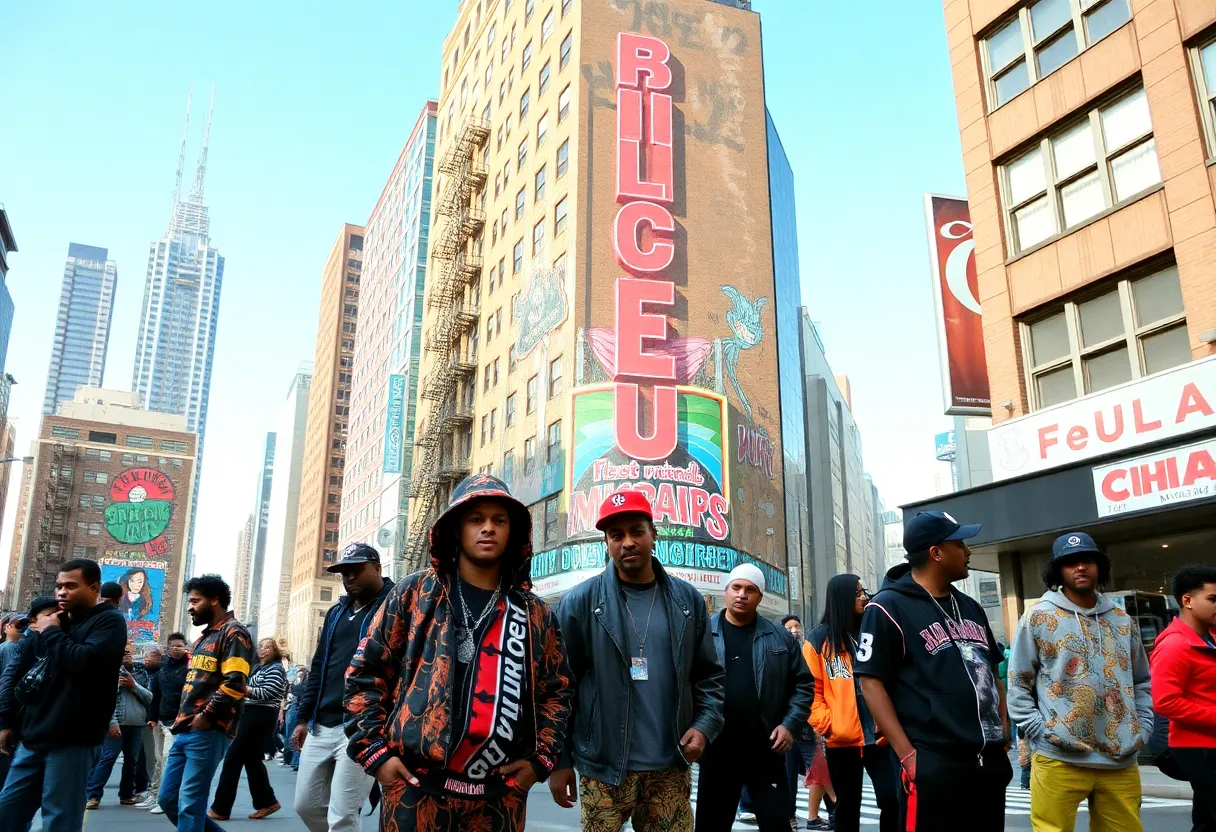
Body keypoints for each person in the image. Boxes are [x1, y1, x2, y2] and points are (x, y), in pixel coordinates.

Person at [345, 473, 572, 832]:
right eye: (475, 519)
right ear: (456, 529)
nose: (488, 528)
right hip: (414, 791)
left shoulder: (535, 613)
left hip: (499, 797)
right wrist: (376, 755)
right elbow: (365, 675)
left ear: (514, 532)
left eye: (499, 520)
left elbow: (556, 693)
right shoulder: (414, 593)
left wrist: (540, 762)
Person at [549, 489, 724, 832]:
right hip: (603, 768)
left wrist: (704, 727)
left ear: (653, 535)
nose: (627, 542)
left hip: (670, 767)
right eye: (616, 535)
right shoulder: (580, 603)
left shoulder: (686, 600)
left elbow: (709, 677)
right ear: (606, 543)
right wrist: (560, 760)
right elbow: (558, 689)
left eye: (636, 531)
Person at [856, 511, 1011, 832]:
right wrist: (908, 755)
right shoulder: (886, 607)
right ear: (936, 552)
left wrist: (1004, 729)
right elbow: (871, 682)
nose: (968, 551)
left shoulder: (970, 606)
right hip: (934, 762)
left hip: (988, 762)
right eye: (960, 544)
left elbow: (993, 671)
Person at [1008, 531, 1153, 832]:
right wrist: (1041, 731)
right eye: (1070, 562)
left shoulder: (1122, 619)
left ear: (1100, 566)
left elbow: (1141, 680)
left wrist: (1143, 729)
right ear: (1057, 570)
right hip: (1058, 755)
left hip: (1120, 756)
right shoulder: (1036, 617)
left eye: (1087, 560)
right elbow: (1019, 682)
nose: (1080, 567)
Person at [0, 559, 128, 832]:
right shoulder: (54, 620)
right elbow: (17, 673)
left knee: (60, 822)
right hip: (32, 738)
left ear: (93, 588)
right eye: (59, 586)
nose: (61, 592)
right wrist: (7, 721)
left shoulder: (108, 621)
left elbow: (83, 663)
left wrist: (51, 631)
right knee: (7, 814)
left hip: (74, 740)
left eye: (71, 586)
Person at [696, 565, 813, 831]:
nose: (742, 595)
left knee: (776, 824)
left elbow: (803, 685)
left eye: (750, 590)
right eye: (736, 588)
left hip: (766, 749)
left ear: (760, 597)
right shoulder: (702, 634)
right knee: (710, 825)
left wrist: (790, 724)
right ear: (726, 591)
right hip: (717, 749)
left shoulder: (780, 637)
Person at [292, 543, 393, 832]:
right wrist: (302, 717)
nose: (349, 577)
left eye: (356, 570)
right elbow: (319, 665)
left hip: (364, 725)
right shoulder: (336, 612)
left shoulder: (395, 604)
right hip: (321, 724)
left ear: (377, 568)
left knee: (343, 814)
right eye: (344, 572)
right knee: (306, 806)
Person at [157, 575, 253, 832]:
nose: (190, 606)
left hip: (208, 730)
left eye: (195, 601)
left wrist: (207, 716)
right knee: (167, 800)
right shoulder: (201, 640)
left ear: (214, 600)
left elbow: (236, 683)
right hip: (184, 729)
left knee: (190, 805)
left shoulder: (235, 633)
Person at [806, 574, 899, 832]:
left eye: (863, 591)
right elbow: (810, 690)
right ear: (841, 598)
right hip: (842, 739)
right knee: (846, 809)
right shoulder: (818, 640)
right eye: (857, 592)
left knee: (892, 799)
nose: (864, 597)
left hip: (880, 737)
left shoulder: (871, 630)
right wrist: (829, 725)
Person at [1150, 564, 1216, 832]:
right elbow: (1165, 701)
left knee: (1207, 822)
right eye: (1212, 599)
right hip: (1197, 748)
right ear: (1187, 600)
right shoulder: (1174, 644)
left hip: (1208, 745)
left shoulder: (1209, 637)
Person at [209, 637, 286, 820]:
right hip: (251, 713)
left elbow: (268, 693)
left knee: (233, 756)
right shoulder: (259, 668)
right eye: (261, 646)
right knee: (252, 760)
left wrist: (245, 689)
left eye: (268, 647)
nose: (263, 649)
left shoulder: (276, 669)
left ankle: (221, 808)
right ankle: (267, 802)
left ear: (275, 651)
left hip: (261, 715)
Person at [85, 640, 154, 808]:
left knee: (132, 761)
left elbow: (149, 697)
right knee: (107, 759)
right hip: (118, 724)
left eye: (129, 653)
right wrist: (112, 723)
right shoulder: (108, 672)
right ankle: (93, 795)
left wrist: (133, 685)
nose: (127, 656)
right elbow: (106, 701)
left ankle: (126, 794)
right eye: (123, 654)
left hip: (137, 724)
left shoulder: (141, 673)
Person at [147, 633, 189, 815]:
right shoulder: (163, 668)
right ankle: (155, 795)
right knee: (158, 759)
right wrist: (153, 718)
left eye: (179, 645)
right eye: (173, 645)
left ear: (185, 646)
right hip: (160, 721)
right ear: (168, 647)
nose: (176, 648)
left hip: (176, 723)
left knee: (168, 760)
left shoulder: (190, 668)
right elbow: (156, 695)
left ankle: (165, 799)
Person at [282, 665, 306, 770]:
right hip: (293, 709)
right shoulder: (293, 683)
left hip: (295, 709)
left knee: (294, 735)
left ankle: (294, 760)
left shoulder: (299, 684)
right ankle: (292, 759)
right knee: (291, 735)